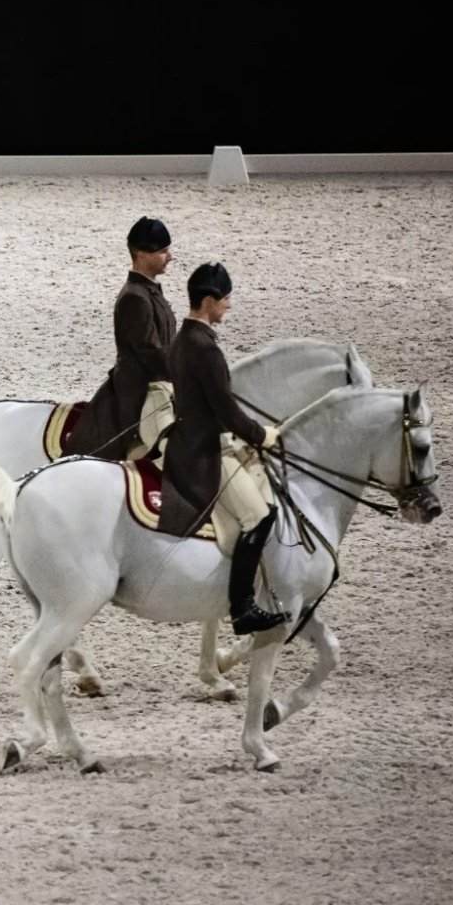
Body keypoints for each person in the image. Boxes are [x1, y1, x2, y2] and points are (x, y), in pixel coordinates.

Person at [158, 263, 285, 636]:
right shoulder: (205, 349)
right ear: (210, 300)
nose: (229, 305)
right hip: (204, 454)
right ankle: (243, 607)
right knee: (258, 517)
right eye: (226, 298)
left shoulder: (183, 339)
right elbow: (227, 412)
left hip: (186, 439)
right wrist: (263, 436)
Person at [63, 217, 178, 458]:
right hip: (140, 390)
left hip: (161, 382)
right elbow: (149, 351)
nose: (170, 256)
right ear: (140, 254)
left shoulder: (150, 291)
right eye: (162, 251)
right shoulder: (134, 298)